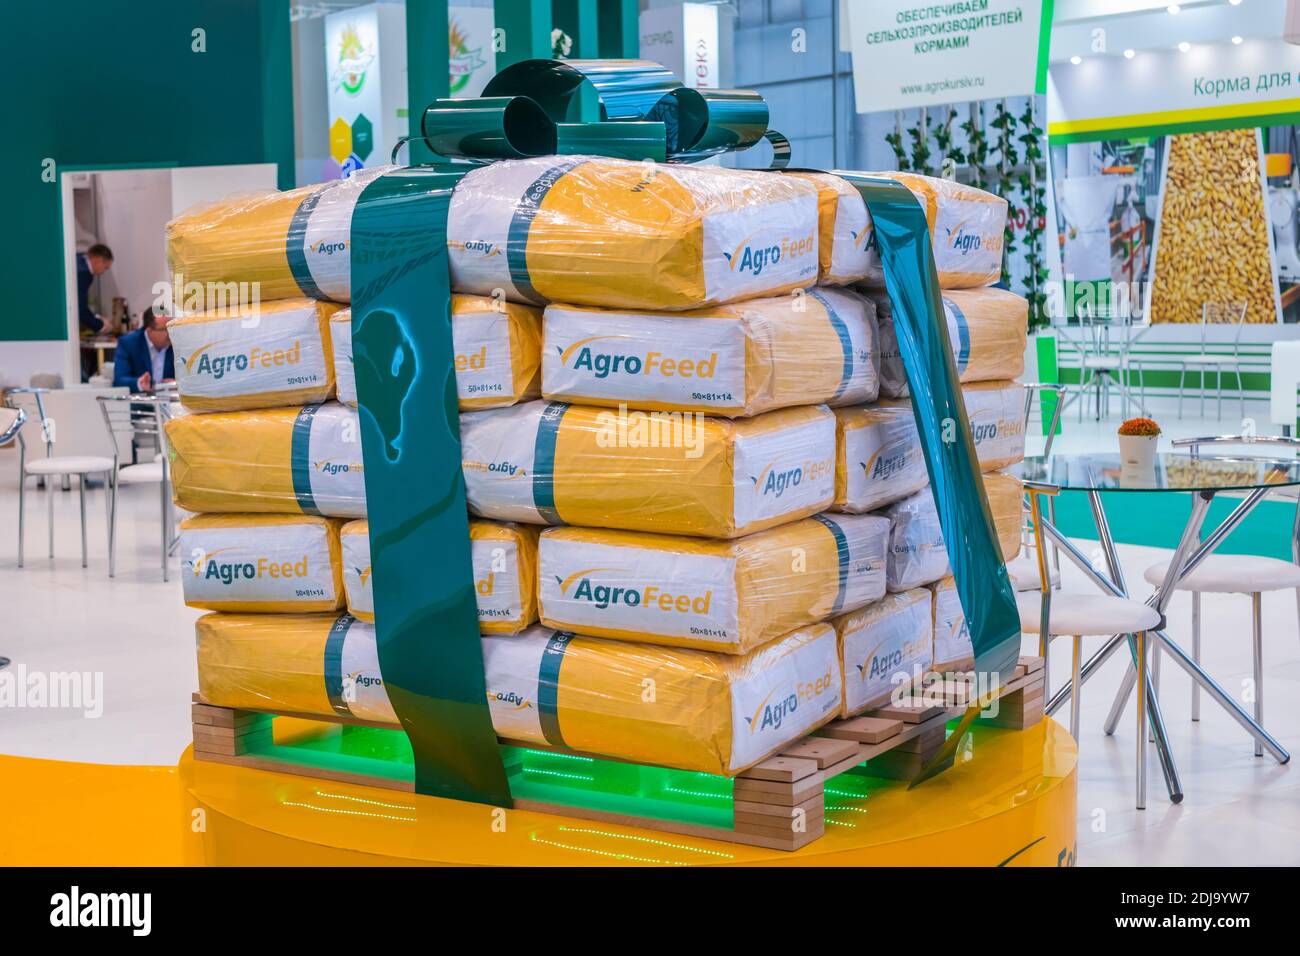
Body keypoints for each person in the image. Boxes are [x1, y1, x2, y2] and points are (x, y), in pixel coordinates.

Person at [113, 308, 174, 393]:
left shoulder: (176, 344)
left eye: (172, 327)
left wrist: (177, 383)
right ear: (149, 330)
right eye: (166, 329)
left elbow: (189, 376)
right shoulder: (128, 343)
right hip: (141, 402)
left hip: (170, 402)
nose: (171, 333)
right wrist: (139, 383)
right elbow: (119, 380)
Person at [77, 243, 114, 334]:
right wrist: (101, 326)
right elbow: (79, 308)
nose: (103, 273)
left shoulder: (78, 258)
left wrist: (96, 317)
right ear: (99, 260)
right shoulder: (84, 273)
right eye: (105, 268)